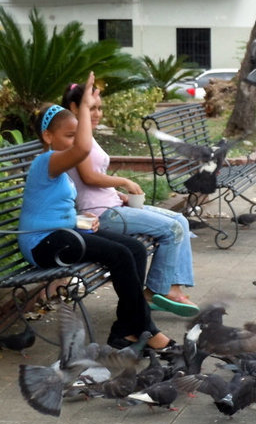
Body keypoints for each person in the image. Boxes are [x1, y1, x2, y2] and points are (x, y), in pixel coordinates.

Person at [18, 72, 174, 351]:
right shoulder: (47, 161)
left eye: (75, 135)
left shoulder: (60, 171)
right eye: (69, 135)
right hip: (41, 243)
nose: (74, 141)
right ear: (47, 136)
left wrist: (79, 220)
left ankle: (125, 331)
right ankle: (145, 328)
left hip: (60, 234)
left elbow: (52, 209)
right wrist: (87, 106)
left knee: (135, 249)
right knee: (121, 256)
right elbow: (82, 149)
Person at [61, 83, 199, 317]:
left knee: (180, 220)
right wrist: (122, 181)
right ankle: (155, 291)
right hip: (101, 214)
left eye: (99, 109)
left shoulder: (87, 136)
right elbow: (88, 176)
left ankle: (172, 288)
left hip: (113, 205)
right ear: (74, 107)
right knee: (173, 229)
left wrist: (119, 194)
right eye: (91, 108)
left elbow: (92, 179)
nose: (97, 114)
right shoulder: (76, 139)